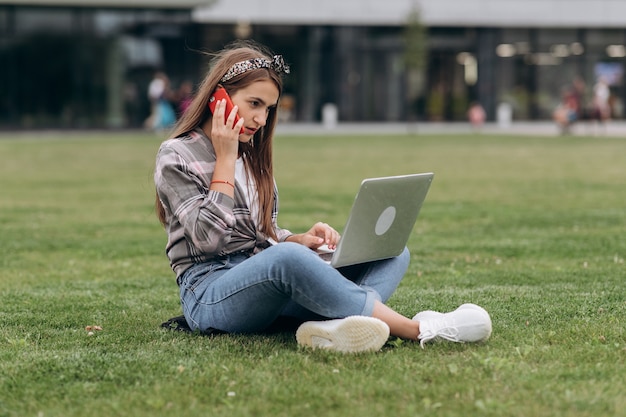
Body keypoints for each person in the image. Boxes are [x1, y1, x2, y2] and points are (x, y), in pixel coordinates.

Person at [153, 40, 492, 353]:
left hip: (262, 286)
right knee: (288, 258)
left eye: (269, 108)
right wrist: (224, 160)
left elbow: (258, 235)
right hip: (210, 293)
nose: (261, 118)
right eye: (254, 103)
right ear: (219, 98)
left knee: (391, 252)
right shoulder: (177, 155)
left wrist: (298, 239)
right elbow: (210, 240)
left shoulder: (250, 153)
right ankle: (418, 329)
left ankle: (334, 326)